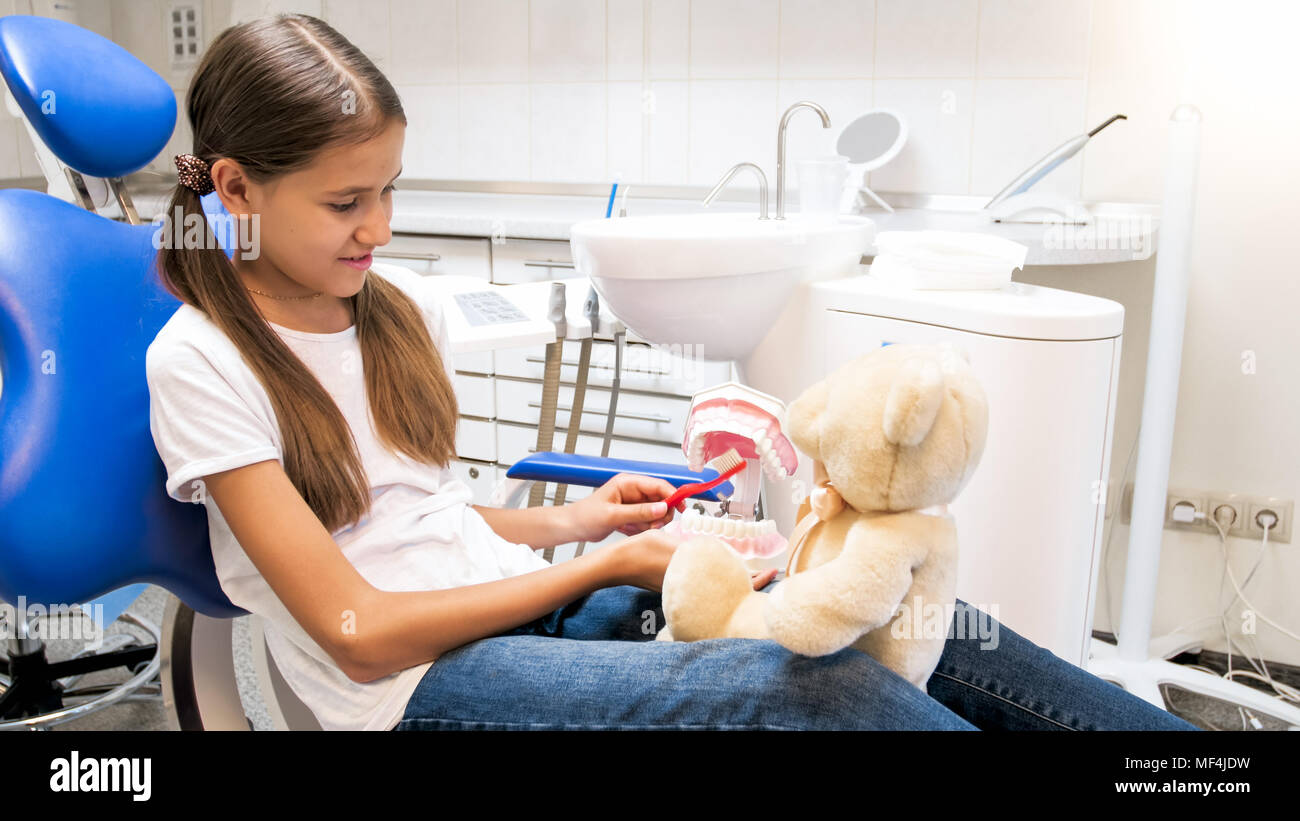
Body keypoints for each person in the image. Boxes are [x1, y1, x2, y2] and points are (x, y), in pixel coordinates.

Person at [146, 13, 1199, 732]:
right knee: (796, 690)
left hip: (506, 600)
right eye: (345, 203)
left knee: (871, 604)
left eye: (390, 189)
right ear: (235, 188)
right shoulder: (200, 361)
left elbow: (421, 521)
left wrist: (588, 522)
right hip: (408, 690)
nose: (379, 225)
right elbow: (358, 629)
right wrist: (604, 568)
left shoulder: (383, 311)